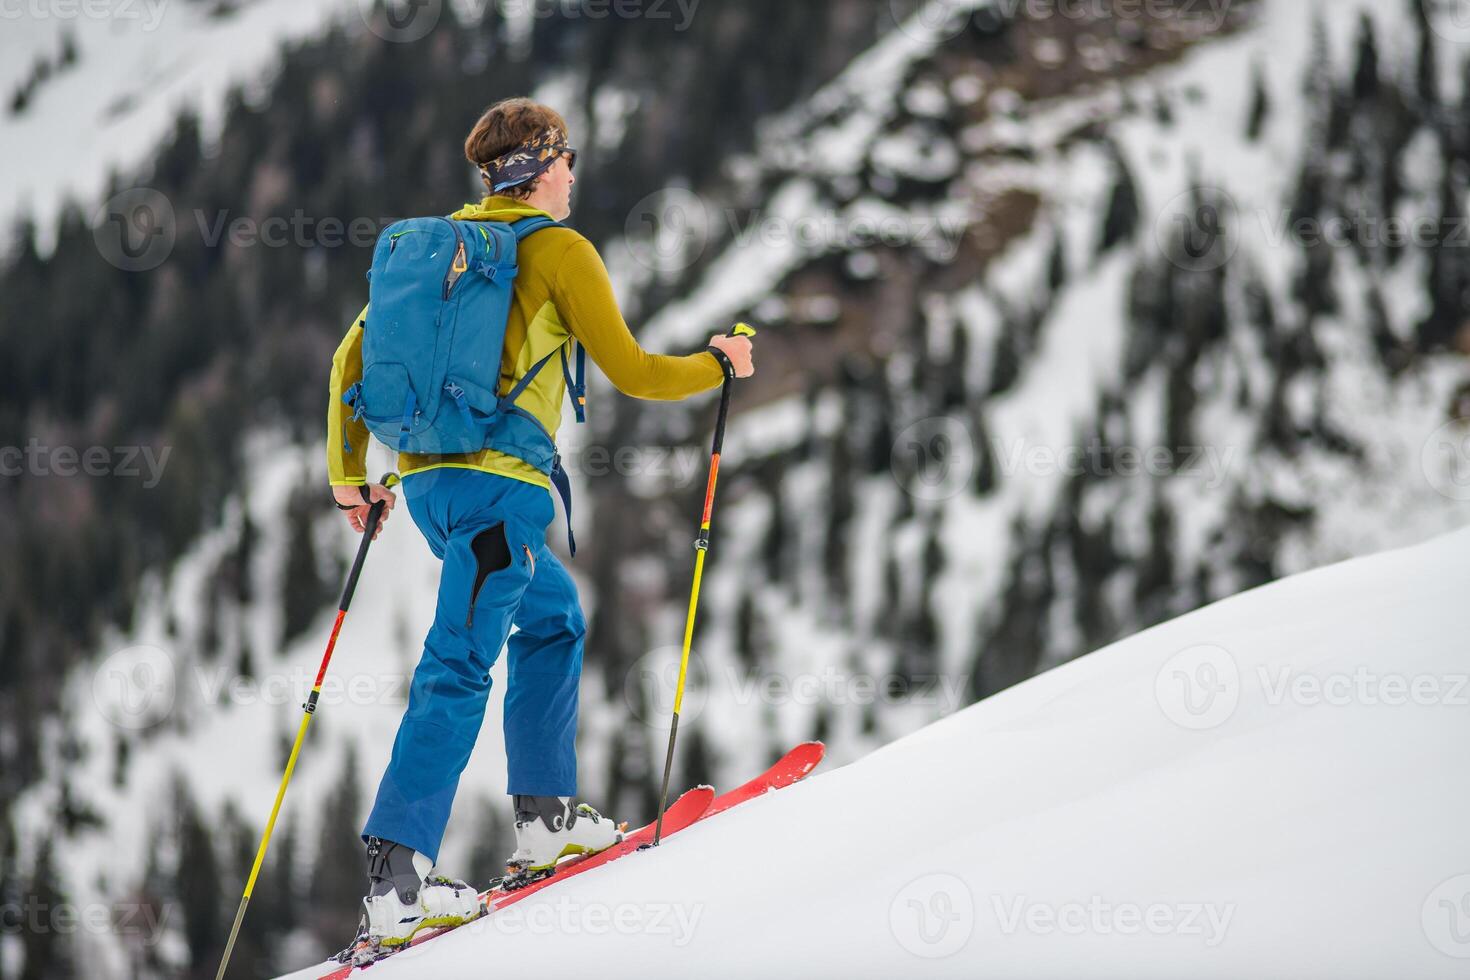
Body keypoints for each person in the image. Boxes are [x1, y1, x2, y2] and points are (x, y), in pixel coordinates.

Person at [325, 96, 755, 950]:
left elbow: (348, 361)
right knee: (458, 666)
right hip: (504, 494)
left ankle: (546, 821)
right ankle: (396, 880)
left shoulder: (435, 250)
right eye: (568, 161)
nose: (574, 177)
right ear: (544, 167)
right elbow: (631, 371)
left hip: (433, 492)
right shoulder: (560, 251)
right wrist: (717, 362)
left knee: (554, 617)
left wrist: (349, 481)